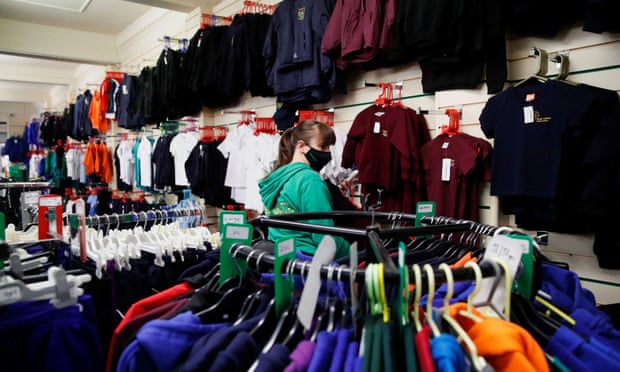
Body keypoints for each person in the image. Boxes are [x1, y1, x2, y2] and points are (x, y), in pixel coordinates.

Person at [259, 120, 350, 259]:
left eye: (329, 147)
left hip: (281, 258)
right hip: (308, 262)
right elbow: (325, 239)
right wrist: (355, 254)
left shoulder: (277, 178)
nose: (328, 153)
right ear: (301, 146)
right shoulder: (310, 180)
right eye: (323, 146)